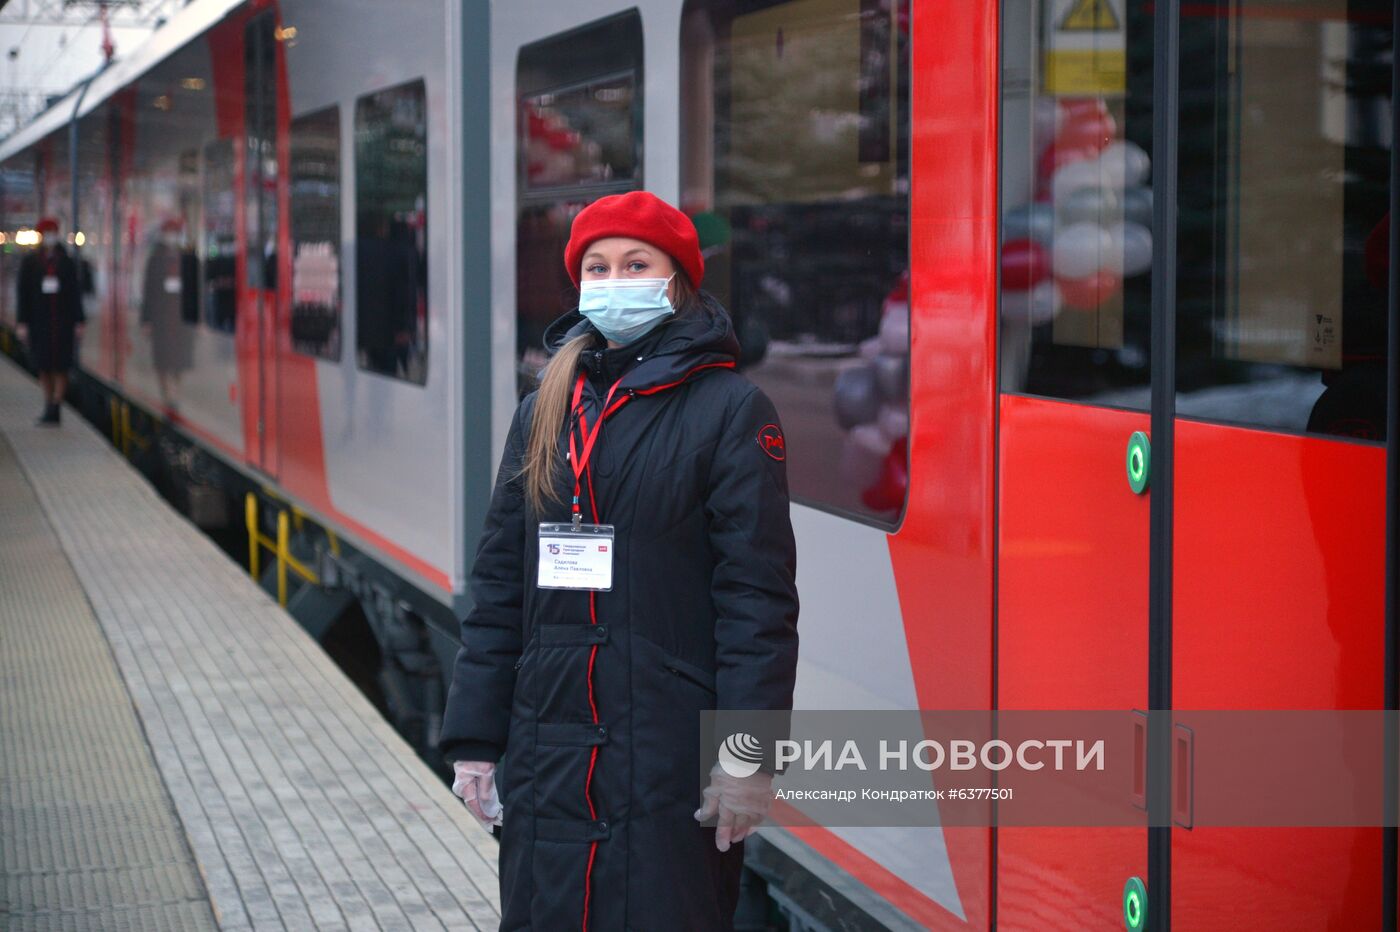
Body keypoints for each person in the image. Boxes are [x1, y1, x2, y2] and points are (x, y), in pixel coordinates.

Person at [439, 191, 799, 931]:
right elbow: (502, 583)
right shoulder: (543, 409)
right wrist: (476, 743)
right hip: (548, 753)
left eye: (636, 263)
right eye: (596, 267)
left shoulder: (731, 411)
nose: (614, 280)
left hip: (664, 754)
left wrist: (748, 757)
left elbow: (756, 602)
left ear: (677, 282)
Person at [16, 217, 85, 426]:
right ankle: (48, 404)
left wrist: (79, 320)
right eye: (46, 233)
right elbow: (23, 295)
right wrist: (22, 322)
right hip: (40, 322)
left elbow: (75, 293)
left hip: (63, 323)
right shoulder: (30, 263)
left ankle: (56, 406)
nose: (50, 237)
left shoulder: (67, 262)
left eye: (52, 232)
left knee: (62, 365)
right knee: (43, 365)